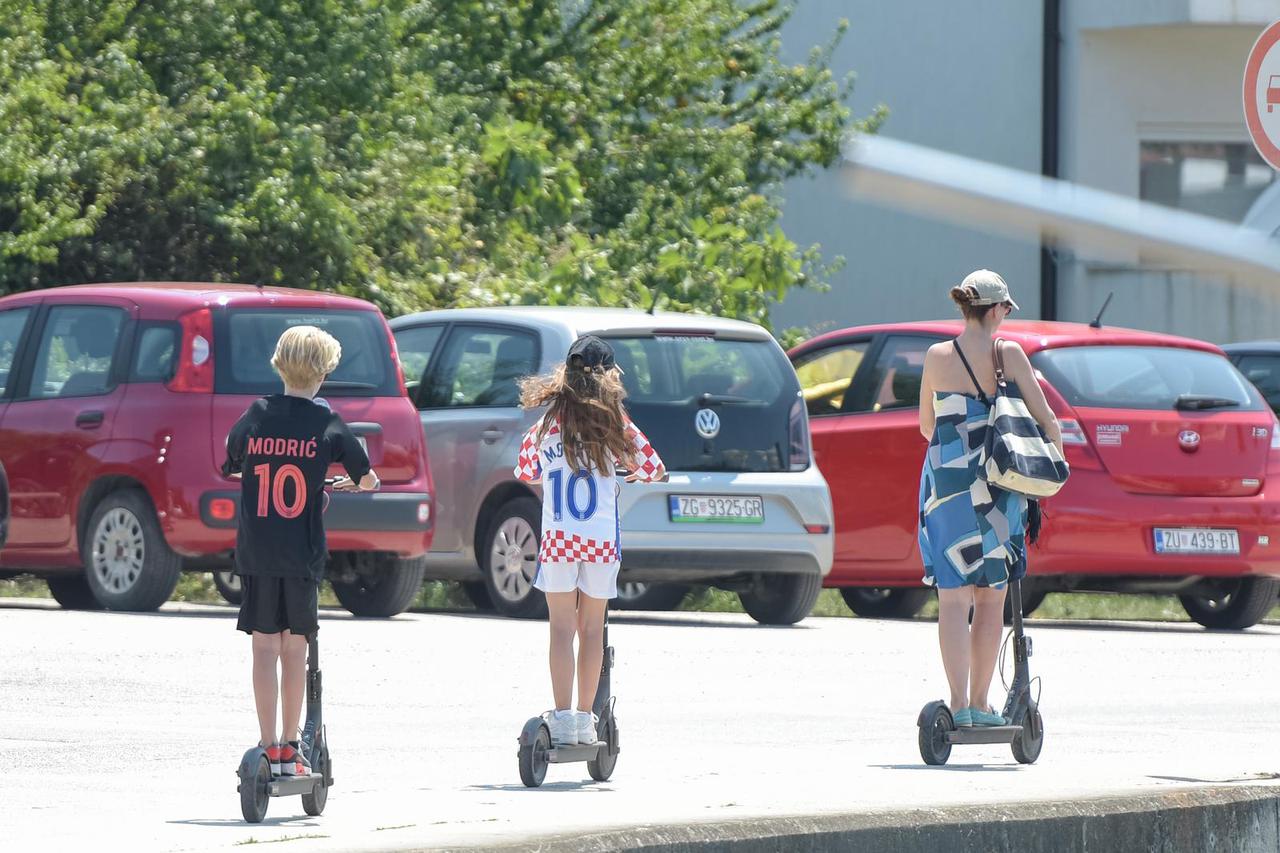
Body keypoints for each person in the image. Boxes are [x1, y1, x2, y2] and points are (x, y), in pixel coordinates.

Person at [222, 325, 380, 776]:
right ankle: (291, 749)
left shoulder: (256, 414)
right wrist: (363, 482)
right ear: (324, 374)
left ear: (278, 365)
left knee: (262, 648)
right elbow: (365, 474)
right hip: (301, 553)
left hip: (256, 550)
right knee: (295, 650)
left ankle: (266, 743)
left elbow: (231, 460)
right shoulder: (326, 422)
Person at [917, 270, 1062, 728]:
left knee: (953, 600)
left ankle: (957, 705)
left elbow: (926, 426)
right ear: (997, 309)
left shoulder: (937, 356)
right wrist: (1051, 458)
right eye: (1006, 308)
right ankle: (981, 705)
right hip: (998, 488)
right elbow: (1047, 421)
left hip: (946, 488)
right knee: (990, 598)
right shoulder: (1009, 354)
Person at [514, 335, 667, 747]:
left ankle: (561, 716)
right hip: (600, 540)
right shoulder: (615, 423)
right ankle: (585, 720)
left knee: (561, 629)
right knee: (592, 629)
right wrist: (632, 471)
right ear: (609, 378)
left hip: (559, 538)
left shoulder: (547, 425)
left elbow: (524, 470)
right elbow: (654, 467)